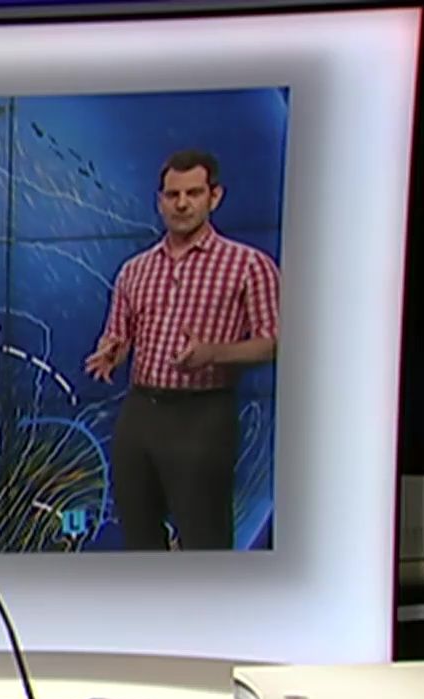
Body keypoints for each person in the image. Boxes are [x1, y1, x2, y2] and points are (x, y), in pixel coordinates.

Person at [83, 149, 280, 550]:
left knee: (204, 535)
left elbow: (274, 343)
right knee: (139, 533)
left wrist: (212, 354)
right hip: (141, 411)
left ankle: (206, 595)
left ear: (215, 197)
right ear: (160, 201)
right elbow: (118, 335)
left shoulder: (248, 265)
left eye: (193, 193)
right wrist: (111, 353)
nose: (183, 204)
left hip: (203, 413)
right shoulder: (135, 270)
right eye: (173, 195)